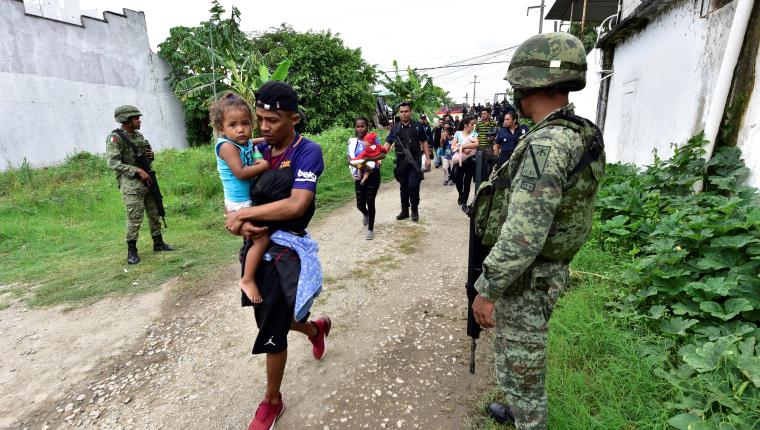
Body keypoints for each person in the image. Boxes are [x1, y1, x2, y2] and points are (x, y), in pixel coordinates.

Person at [471, 32, 605, 430]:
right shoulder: (579, 131)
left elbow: (523, 234)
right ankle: (516, 410)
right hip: (544, 270)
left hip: (528, 276)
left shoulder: (547, 144)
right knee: (517, 357)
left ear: (530, 84)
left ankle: (527, 419)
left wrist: (488, 288)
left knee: (524, 367)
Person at [224, 81, 330, 430]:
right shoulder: (254, 150)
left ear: (294, 118)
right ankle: (314, 330)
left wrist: (246, 217)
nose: (264, 127)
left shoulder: (307, 152)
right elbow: (235, 190)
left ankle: (272, 400)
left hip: (287, 251)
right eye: (260, 119)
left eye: (273, 120)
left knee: (271, 326)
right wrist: (237, 220)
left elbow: (297, 203)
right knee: (272, 318)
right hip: (256, 245)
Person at [211, 93, 271, 304]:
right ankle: (246, 279)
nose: (241, 130)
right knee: (260, 239)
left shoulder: (241, 142)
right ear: (222, 128)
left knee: (253, 238)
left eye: (245, 124)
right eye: (233, 125)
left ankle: (254, 269)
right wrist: (262, 166)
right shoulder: (226, 146)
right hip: (239, 203)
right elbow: (241, 173)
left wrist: (265, 139)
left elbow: (249, 143)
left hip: (246, 200)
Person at [106, 105, 173, 265]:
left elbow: (145, 157)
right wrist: (136, 170)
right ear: (126, 120)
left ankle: (158, 243)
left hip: (147, 180)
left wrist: (151, 156)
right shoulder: (115, 138)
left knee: (154, 212)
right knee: (134, 217)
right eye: (136, 118)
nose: (139, 121)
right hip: (131, 184)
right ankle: (132, 251)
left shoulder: (138, 136)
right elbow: (113, 163)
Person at [384, 102, 432, 222]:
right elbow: (387, 145)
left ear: (411, 112)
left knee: (413, 185)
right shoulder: (395, 127)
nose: (404, 114)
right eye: (401, 112)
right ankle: (405, 211)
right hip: (401, 163)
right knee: (403, 187)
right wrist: (377, 156)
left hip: (414, 162)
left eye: (406, 111)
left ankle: (414, 210)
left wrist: (427, 158)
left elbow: (424, 142)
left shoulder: (417, 126)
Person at [347, 118, 386, 240]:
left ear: (367, 127)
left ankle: (370, 229)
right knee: (360, 204)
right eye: (357, 126)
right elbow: (349, 159)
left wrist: (367, 161)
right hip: (359, 175)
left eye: (362, 126)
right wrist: (361, 165)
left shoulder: (374, 140)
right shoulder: (352, 142)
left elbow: (382, 155)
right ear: (355, 128)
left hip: (373, 174)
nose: (359, 129)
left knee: (370, 201)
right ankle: (366, 214)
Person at [451, 116, 479, 208]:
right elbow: (453, 146)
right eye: (471, 124)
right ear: (465, 125)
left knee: (467, 181)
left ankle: (464, 203)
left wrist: (463, 146)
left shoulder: (474, 134)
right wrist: (462, 149)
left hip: (471, 161)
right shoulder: (458, 133)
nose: (473, 126)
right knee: (458, 180)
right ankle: (461, 194)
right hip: (459, 161)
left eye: (473, 124)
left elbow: (476, 144)